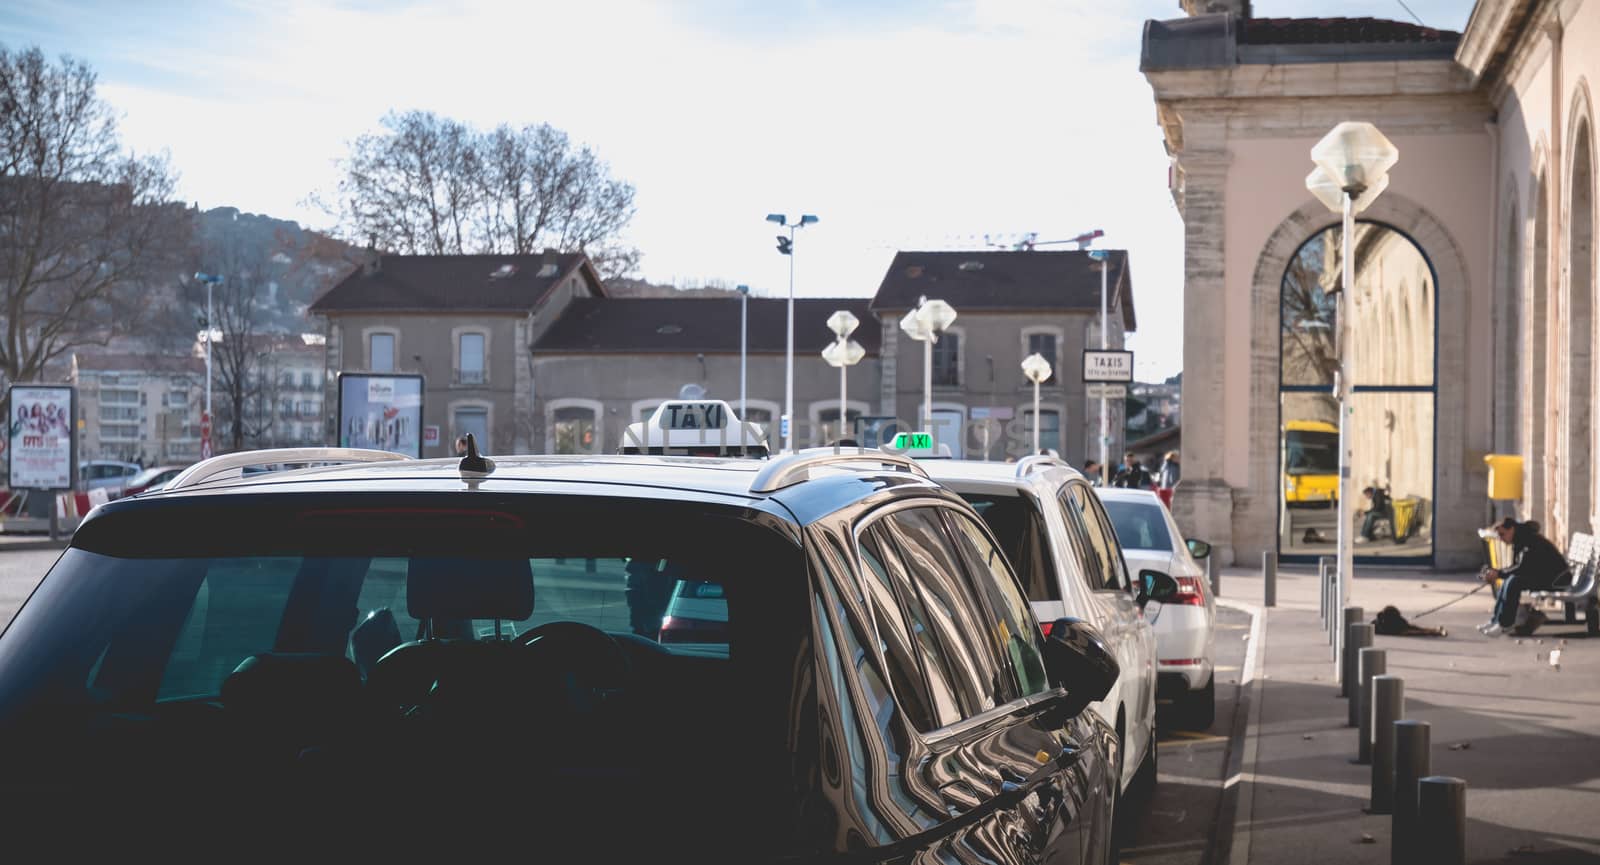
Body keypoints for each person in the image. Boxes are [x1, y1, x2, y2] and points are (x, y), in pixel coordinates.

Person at [1480, 517, 1567, 635]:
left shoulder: (1529, 540)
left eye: (1502, 534)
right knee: (1508, 581)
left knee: (1513, 582)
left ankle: (1505, 623)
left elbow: (1523, 567)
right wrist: (1498, 573)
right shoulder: (1520, 539)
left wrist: (1499, 573)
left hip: (1556, 580)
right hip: (1545, 576)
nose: (1500, 538)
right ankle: (1496, 620)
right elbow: (1517, 566)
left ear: (1511, 529)